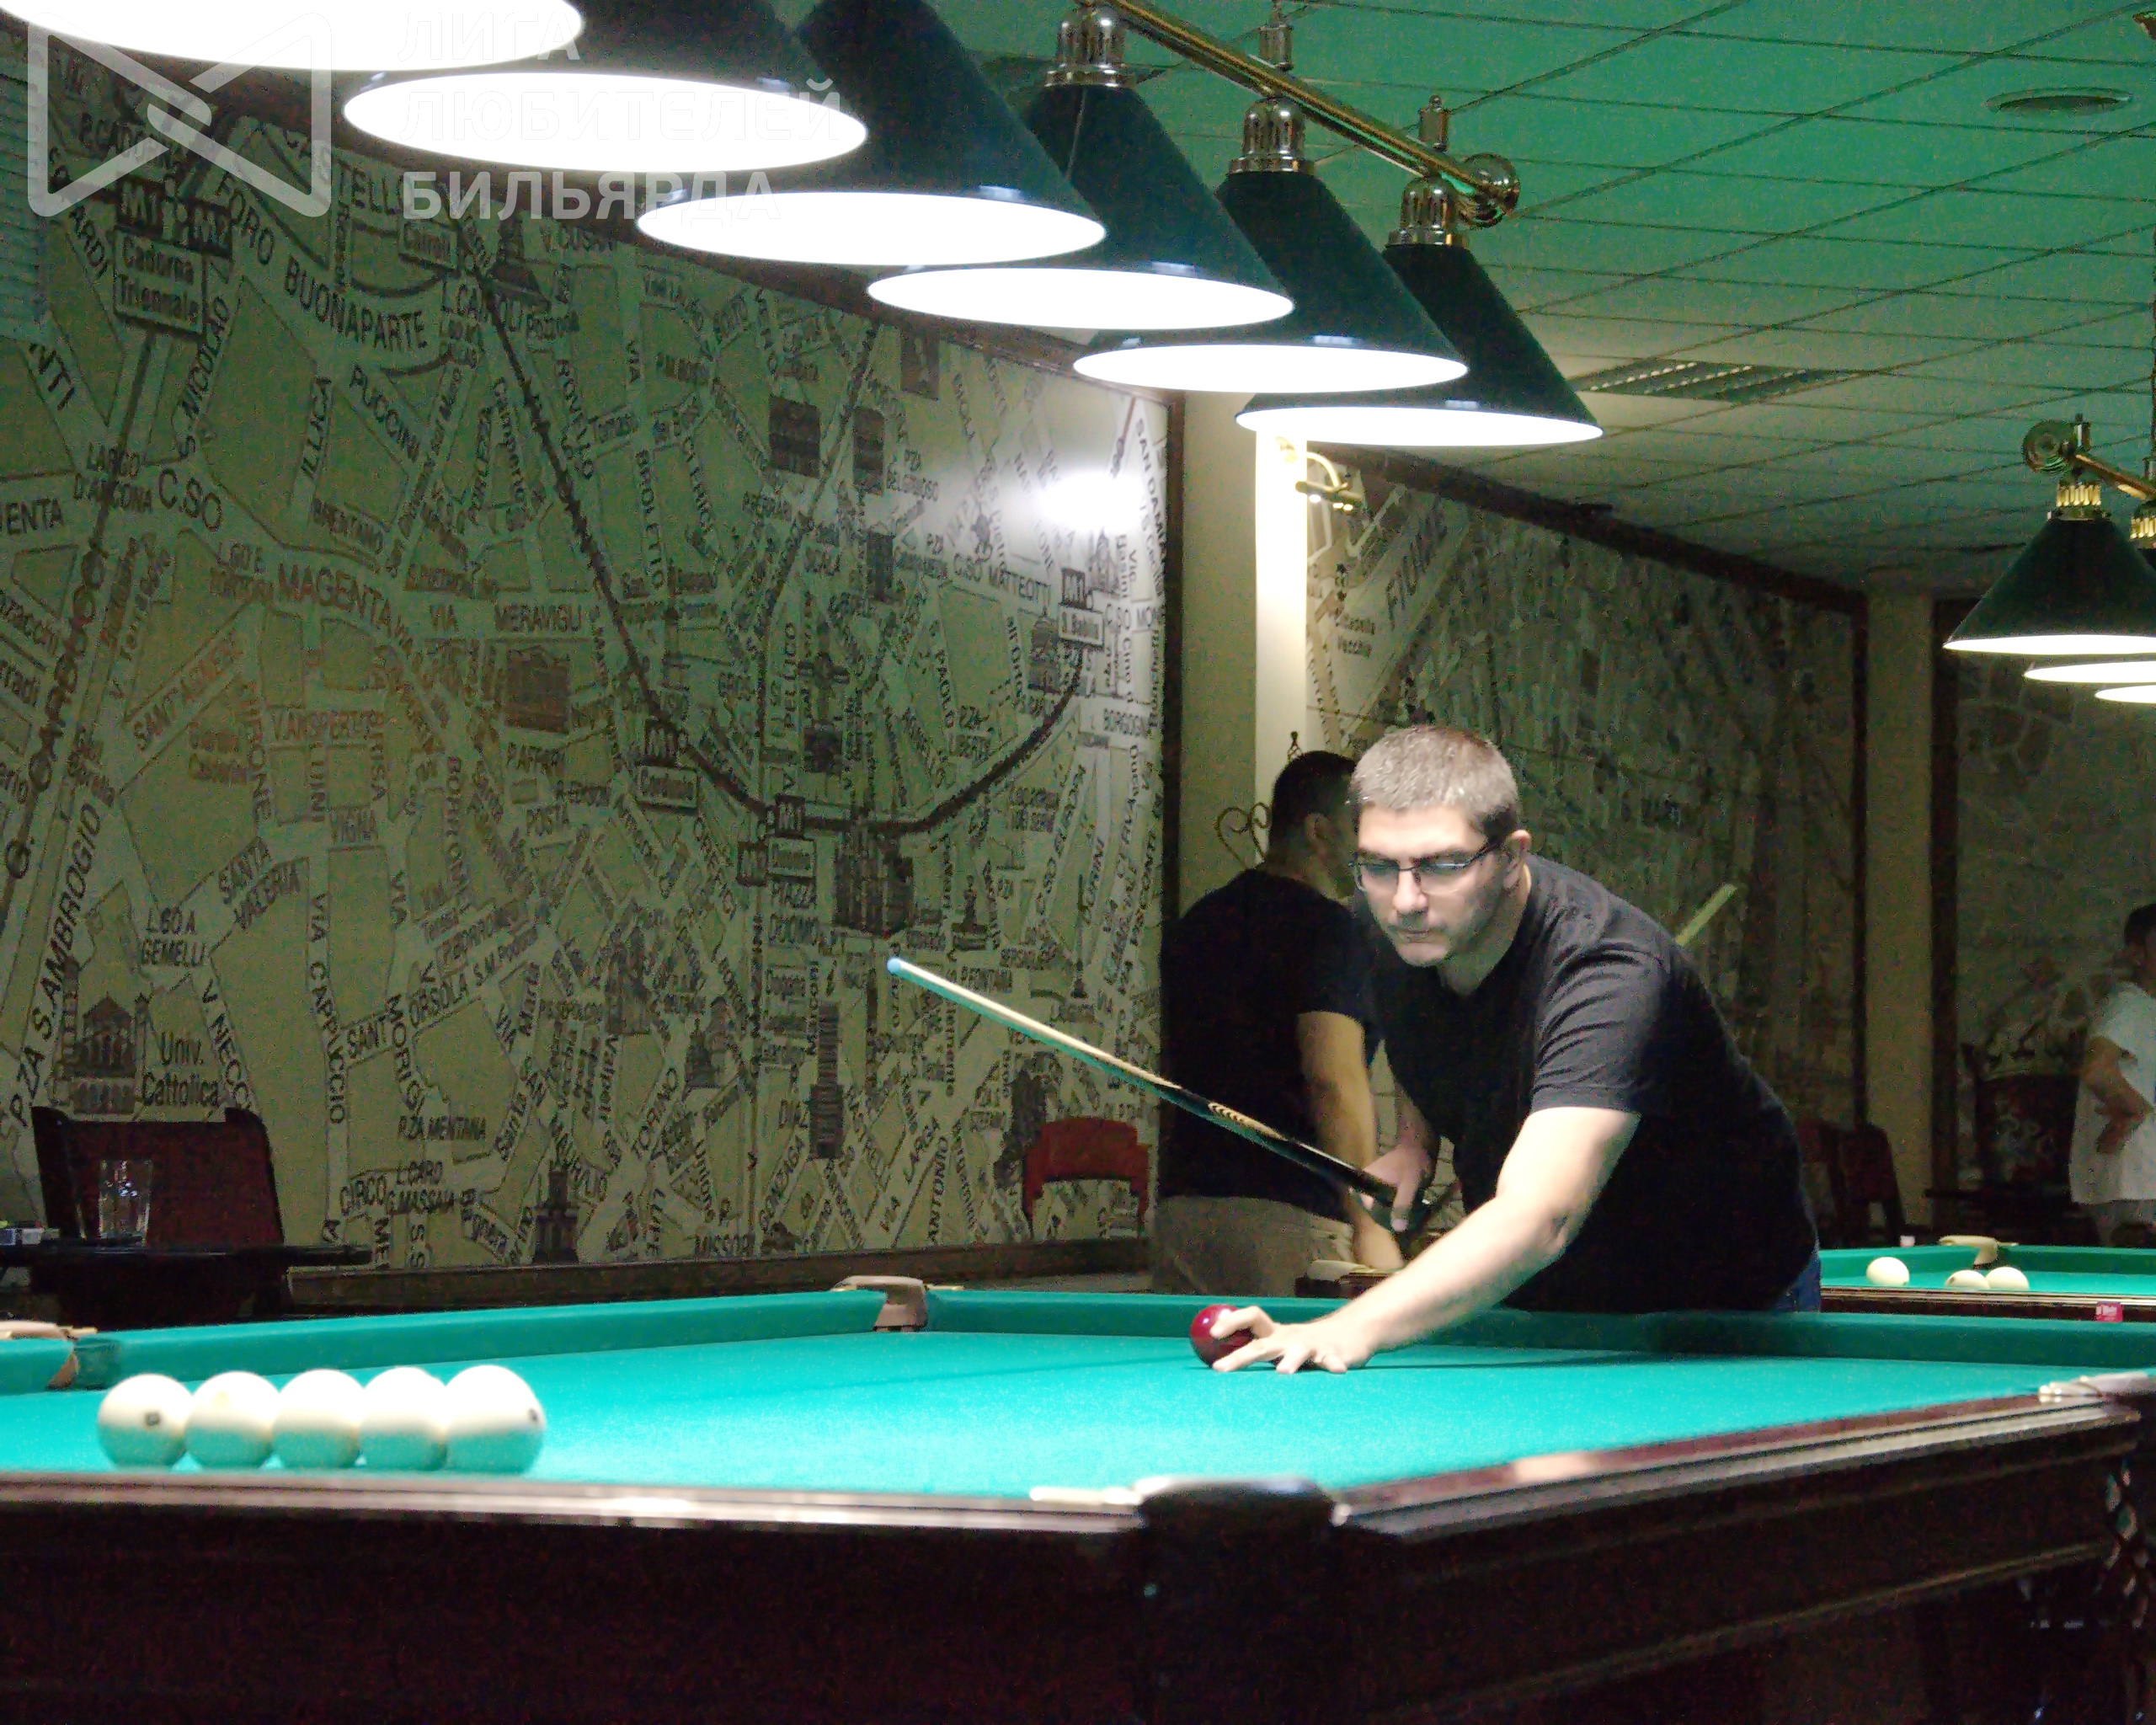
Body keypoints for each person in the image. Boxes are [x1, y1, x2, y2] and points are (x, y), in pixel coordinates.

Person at [1209, 724, 1818, 1372]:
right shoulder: (1389, 930)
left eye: (1443, 865)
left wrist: (1349, 1328)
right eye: (1379, 866)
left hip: (1722, 1306)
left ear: (1510, 857)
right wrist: (1415, 1144)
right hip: (1557, 1296)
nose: (1406, 901)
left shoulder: (1611, 973)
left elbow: (1538, 1217)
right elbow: (1424, 1021)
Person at [1152, 750, 1403, 1297]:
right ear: (1318, 831)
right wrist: (1368, 1223)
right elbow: (1332, 1079)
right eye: (1362, 831)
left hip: (1183, 1212)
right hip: (1287, 1220)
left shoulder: (1197, 924)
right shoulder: (1327, 930)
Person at [2068, 904, 2156, 1245]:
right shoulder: (2129, 1004)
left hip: (2139, 1181)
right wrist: (2136, 1110)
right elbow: (2096, 1069)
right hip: (2136, 1182)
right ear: (2137, 954)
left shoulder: (2144, 1006)